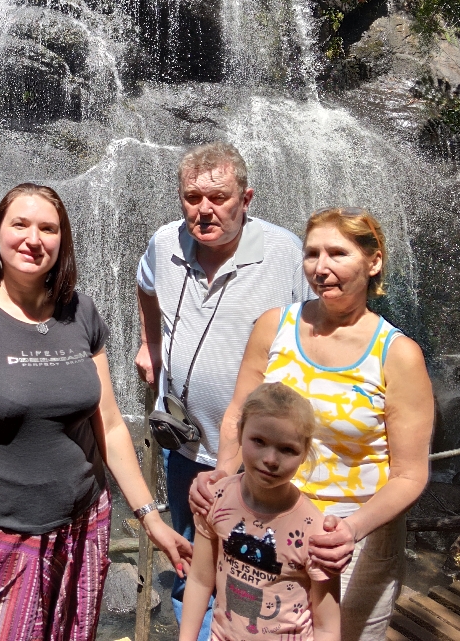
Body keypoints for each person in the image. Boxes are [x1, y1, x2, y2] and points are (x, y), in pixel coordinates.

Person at [0, 182, 191, 641]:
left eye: (48, 228)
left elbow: (107, 422)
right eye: (20, 224)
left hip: (85, 526)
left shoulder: (80, 312)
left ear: (61, 242)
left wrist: (151, 518)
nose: (34, 238)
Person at [193, 207, 434, 641]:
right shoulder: (274, 326)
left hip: (354, 541)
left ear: (373, 261)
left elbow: (410, 474)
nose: (321, 268)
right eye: (311, 254)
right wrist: (222, 475)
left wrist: (351, 529)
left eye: (337, 253)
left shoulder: (397, 354)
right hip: (262, 519)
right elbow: (237, 414)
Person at [134, 142, 311, 633]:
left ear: (246, 198)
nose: (203, 209)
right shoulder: (163, 243)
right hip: (185, 446)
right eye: (192, 197)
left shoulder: (284, 253)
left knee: (255, 575)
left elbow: (319, 323)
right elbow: (146, 286)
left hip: (260, 455)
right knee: (191, 561)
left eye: (218, 196)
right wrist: (151, 343)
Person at [179, 382, 340, 641]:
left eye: (287, 449)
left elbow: (326, 625)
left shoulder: (315, 531)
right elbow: (199, 579)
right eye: (259, 441)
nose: (271, 459)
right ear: (240, 432)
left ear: (304, 453)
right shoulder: (216, 498)